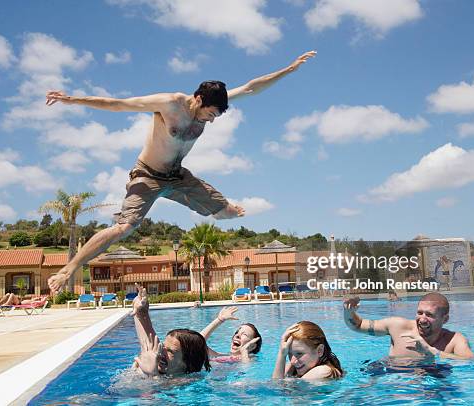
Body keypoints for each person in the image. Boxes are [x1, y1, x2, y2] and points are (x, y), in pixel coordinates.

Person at [44, 51, 317, 294]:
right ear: (198, 98)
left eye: (213, 118)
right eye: (208, 114)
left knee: (227, 214)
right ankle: (70, 267)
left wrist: (288, 69)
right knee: (125, 226)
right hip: (147, 175)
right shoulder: (169, 104)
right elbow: (118, 104)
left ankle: (222, 206)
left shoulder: (211, 104)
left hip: (178, 176)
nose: (209, 120)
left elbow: (250, 88)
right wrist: (72, 99)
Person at [344, 292, 474, 360]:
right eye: (419, 313)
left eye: (429, 315)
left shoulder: (454, 340)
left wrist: (433, 352)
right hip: (390, 376)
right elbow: (358, 325)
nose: (422, 319)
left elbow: (472, 361)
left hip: (430, 382)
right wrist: (349, 313)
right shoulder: (398, 326)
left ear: (445, 319)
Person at [132, 287, 210, 376]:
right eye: (163, 346)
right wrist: (141, 312)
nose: (160, 351)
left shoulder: (188, 385)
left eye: (170, 351)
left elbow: (151, 389)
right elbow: (148, 343)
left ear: (187, 364)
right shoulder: (160, 366)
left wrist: (152, 375)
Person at [273, 321, 343, 379]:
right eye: (289, 354)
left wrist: (281, 355)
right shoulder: (295, 364)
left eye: (299, 354)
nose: (293, 361)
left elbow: (278, 389)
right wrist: (282, 354)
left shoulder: (323, 371)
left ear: (320, 351)